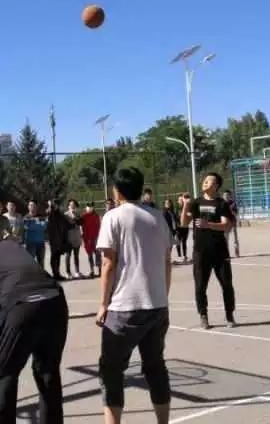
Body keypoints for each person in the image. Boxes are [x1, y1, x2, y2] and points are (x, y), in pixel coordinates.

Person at [0, 217, 68, 423]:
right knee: (48, 372)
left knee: (3, 375)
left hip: (22, 305)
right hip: (55, 299)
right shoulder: (12, 245)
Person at [96, 167, 173, 424]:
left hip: (124, 306)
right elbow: (166, 260)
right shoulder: (158, 217)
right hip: (156, 305)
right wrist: (163, 297)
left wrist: (103, 304)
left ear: (117, 191)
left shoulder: (113, 217)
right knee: (155, 366)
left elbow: (108, 263)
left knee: (111, 370)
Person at [181, 173, 236, 329]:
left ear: (216, 185)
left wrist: (208, 225)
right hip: (200, 251)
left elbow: (227, 226)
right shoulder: (196, 202)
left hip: (219, 251)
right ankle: (203, 315)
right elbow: (184, 223)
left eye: (209, 181)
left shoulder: (221, 203)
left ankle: (229, 314)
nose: (205, 182)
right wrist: (185, 205)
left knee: (226, 284)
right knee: (200, 286)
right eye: (204, 180)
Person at [46, 200, 71, 280]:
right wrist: (50, 206)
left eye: (56, 205)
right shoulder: (50, 212)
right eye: (54, 205)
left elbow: (65, 223)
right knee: (54, 257)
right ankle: (55, 273)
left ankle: (57, 273)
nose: (56, 206)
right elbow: (49, 214)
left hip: (60, 239)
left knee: (58, 257)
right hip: (53, 239)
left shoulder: (59, 214)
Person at [23, 199, 46, 268]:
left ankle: (41, 275)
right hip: (30, 244)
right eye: (30, 205)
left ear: (36, 206)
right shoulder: (25, 218)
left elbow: (43, 227)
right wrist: (38, 225)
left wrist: (33, 225)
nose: (32, 207)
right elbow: (27, 228)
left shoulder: (41, 216)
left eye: (33, 205)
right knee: (30, 264)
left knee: (41, 264)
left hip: (41, 243)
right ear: (28, 207)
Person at [80, 201, 101, 277]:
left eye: (91, 206)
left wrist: (98, 237)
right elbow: (80, 227)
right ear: (86, 207)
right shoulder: (83, 216)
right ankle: (92, 270)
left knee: (97, 254)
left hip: (95, 237)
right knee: (89, 254)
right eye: (88, 206)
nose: (89, 208)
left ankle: (100, 269)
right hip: (87, 238)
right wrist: (82, 237)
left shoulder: (96, 216)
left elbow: (99, 226)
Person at [64, 199, 83, 279]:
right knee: (68, 256)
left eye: (74, 205)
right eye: (71, 205)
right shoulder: (65, 215)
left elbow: (80, 223)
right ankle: (68, 272)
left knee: (76, 256)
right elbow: (66, 226)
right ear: (68, 206)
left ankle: (77, 271)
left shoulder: (78, 214)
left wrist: (75, 218)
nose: (73, 206)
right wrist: (74, 223)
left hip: (77, 238)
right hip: (69, 239)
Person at [222, 190, 240, 258]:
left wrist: (231, 210)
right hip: (225, 224)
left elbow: (236, 213)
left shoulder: (233, 203)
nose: (226, 197)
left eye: (227, 195)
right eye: (224, 195)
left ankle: (237, 251)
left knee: (235, 238)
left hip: (232, 222)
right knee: (226, 239)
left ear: (229, 196)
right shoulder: (221, 203)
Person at [175, 194, 190, 263]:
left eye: (182, 200)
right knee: (178, 242)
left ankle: (184, 256)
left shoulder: (186, 208)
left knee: (184, 242)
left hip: (185, 228)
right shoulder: (177, 209)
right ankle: (179, 256)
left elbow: (188, 217)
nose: (180, 201)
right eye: (179, 200)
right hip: (179, 228)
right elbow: (176, 218)